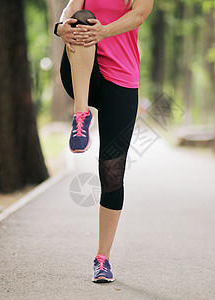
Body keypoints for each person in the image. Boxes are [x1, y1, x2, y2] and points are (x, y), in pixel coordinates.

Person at [54, 0, 153, 283]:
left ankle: (102, 258)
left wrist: (104, 31)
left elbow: (139, 15)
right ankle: (81, 115)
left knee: (111, 173)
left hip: (121, 80)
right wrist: (61, 27)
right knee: (81, 19)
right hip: (83, 72)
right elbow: (70, 9)